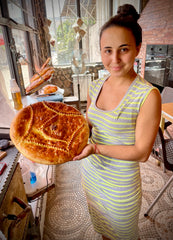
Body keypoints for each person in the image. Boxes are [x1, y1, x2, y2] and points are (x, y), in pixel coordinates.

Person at [73, 4, 161, 240]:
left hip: (120, 187)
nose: (114, 59)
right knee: (103, 232)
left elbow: (142, 152)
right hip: (91, 176)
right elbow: (89, 123)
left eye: (123, 49)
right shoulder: (96, 85)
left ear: (138, 49)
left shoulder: (147, 95)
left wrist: (96, 148)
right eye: (107, 50)